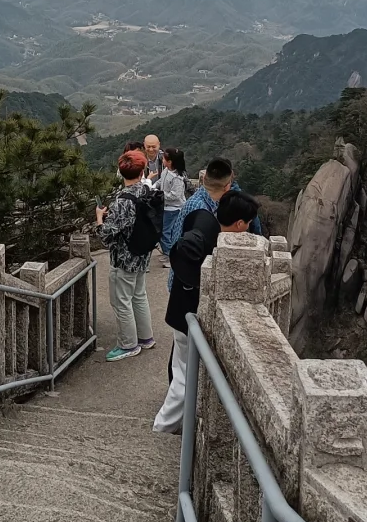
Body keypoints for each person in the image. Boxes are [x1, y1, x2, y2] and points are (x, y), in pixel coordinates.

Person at [153, 190, 260, 432]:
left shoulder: (206, 220)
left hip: (181, 313)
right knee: (184, 376)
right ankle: (162, 428)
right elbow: (185, 248)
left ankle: (173, 424)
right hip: (188, 317)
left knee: (182, 371)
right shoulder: (207, 235)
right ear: (240, 223)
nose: (249, 228)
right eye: (248, 224)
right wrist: (195, 279)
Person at [97, 149, 159, 361]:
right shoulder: (146, 191)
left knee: (121, 301)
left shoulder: (122, 201)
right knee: (139, 295)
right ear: (143, 172)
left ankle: (128, 345)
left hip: (124, 257)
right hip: (143, 252)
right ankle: (145, 337)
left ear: (120, 172)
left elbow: (106, 236)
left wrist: (99, 218)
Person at [156, 146, 187, 260]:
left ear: (170, 162)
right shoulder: (166, 170)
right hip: (166, 207)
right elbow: (161, 181)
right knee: (168, 231)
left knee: (165, 232)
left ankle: (169, 254)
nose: (162, 160)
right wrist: (154, 186)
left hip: (174, 208)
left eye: (164, 159)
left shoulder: (177, 178)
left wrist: (160, 195)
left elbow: (175, 195)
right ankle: (169, 252)